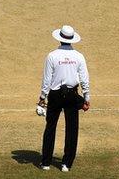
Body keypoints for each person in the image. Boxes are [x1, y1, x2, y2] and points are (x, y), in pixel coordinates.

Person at [37, 25, 90, 172]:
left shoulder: (52, 55)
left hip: (55, 95)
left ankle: (46, 162)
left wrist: (42, 98)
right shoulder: (79, 56)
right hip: (73, 95)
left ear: (60, 39)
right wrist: (86, 97)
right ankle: (66, 164)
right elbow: (85, 78)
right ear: (72, 40)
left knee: (50, 128)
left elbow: (47, 80)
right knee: (72, 129)